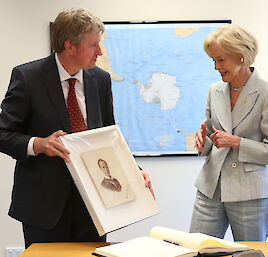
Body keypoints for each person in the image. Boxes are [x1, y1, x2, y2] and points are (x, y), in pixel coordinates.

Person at [0, 8, 154, 248]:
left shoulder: (100, 80)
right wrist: (38, 144)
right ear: (69, 45)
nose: (100, 52)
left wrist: (135, 171)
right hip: (44, 207)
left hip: (95, 206)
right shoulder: (28, 77)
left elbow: (109, 137)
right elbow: (3, 133)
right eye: (93, 45)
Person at [189, 24, 268, 241]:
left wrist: (237, 142)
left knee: (250, 256)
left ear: (241, 56)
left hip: (250, 195)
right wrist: (202, 140)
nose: (215, 67)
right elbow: (211, 136)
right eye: (213, 60)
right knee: (195, 250)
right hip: (210, 189)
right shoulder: (215, 91)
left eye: (220, 60)